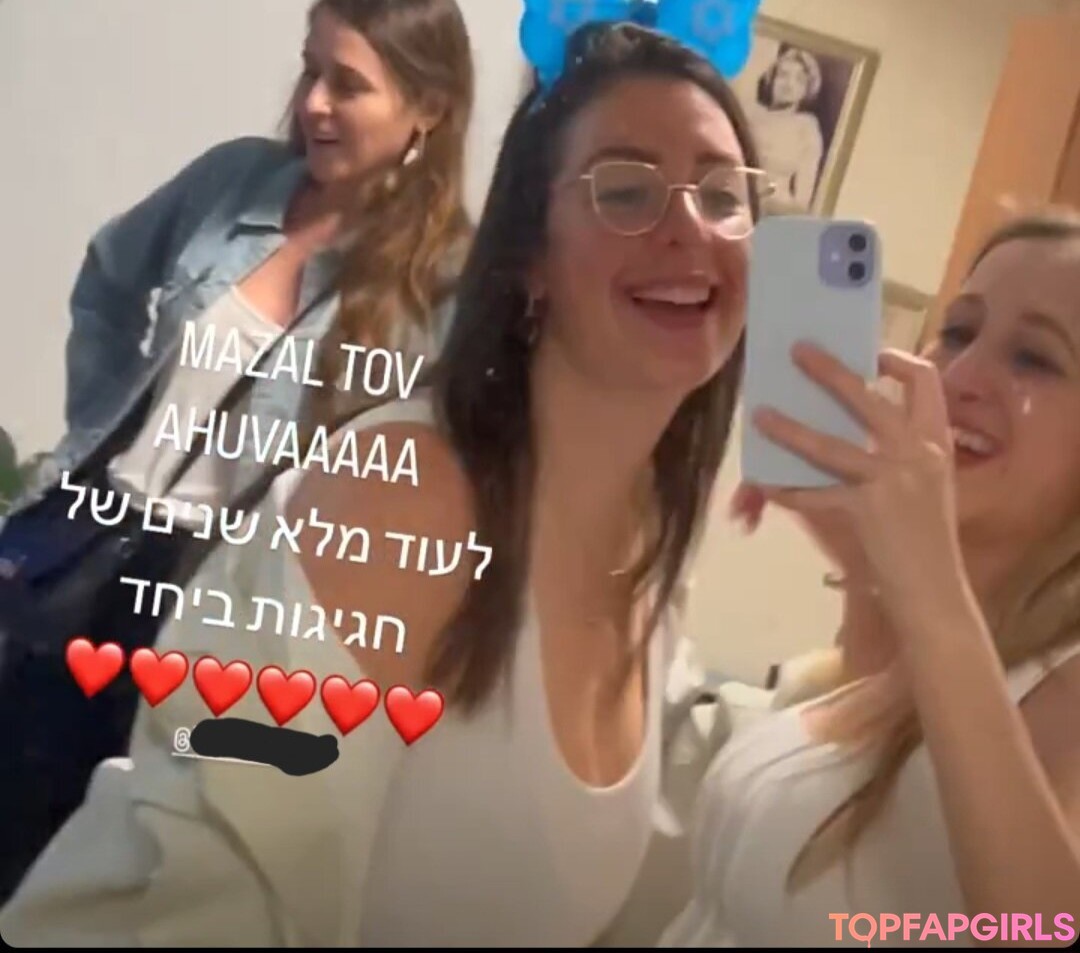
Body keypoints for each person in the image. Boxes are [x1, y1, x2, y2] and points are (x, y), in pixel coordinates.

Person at [0, 20, 769, 948]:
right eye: (627, 190)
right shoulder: (411, 499)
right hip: (143, 573)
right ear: (530, 256)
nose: (690, 228)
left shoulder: (644, 537)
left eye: (723, 194)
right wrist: (94, 445)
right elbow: (203, 895)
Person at [0, 0, 474, 904]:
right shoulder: (237, 181)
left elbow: (427, 481)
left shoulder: (443, 282)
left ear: (429, 108)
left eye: (349, 84)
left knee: (122, 859)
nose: (314, 102)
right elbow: (108, 280)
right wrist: (94, 432)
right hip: (94, 544)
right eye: (312, 69)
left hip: (218, 605)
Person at [662, 211, 1080, 947]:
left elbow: (1042, 927)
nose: (957, 377)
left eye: (1035, 358)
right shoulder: (937, 641)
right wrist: (865, 560)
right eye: (959, 331)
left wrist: (924, 579)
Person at [748, 45, 824, 211]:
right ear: (772, 80)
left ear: (806, 89)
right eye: (783, 75)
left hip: (776, 212)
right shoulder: (751, 115)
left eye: (799, 80)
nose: (789, 84)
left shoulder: (806, 127)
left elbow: (803, 198)